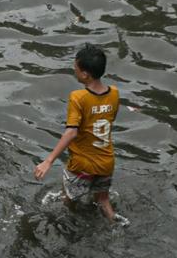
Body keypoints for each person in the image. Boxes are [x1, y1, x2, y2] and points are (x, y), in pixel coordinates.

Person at [33, 43, 120, 221]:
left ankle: (69, 227)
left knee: (69, 201)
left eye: (76, 68)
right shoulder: (115, 93)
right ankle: (114, 223)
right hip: (106, 161)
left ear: (85, 74)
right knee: (103, 200)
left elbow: (71, 133)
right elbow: (110, 119)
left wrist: (48, 161)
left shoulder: (78, 97)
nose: (74, 70)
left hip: (82, 164)